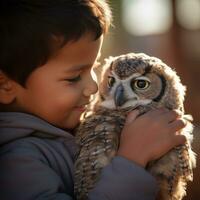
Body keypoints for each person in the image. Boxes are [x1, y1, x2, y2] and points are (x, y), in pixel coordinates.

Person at [0, 0, 186, 200]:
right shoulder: (16, 162)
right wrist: (132, 160)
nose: (94, 87)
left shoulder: (77, 126)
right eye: (73, 77)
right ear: (5, 86)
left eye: (93, 68)